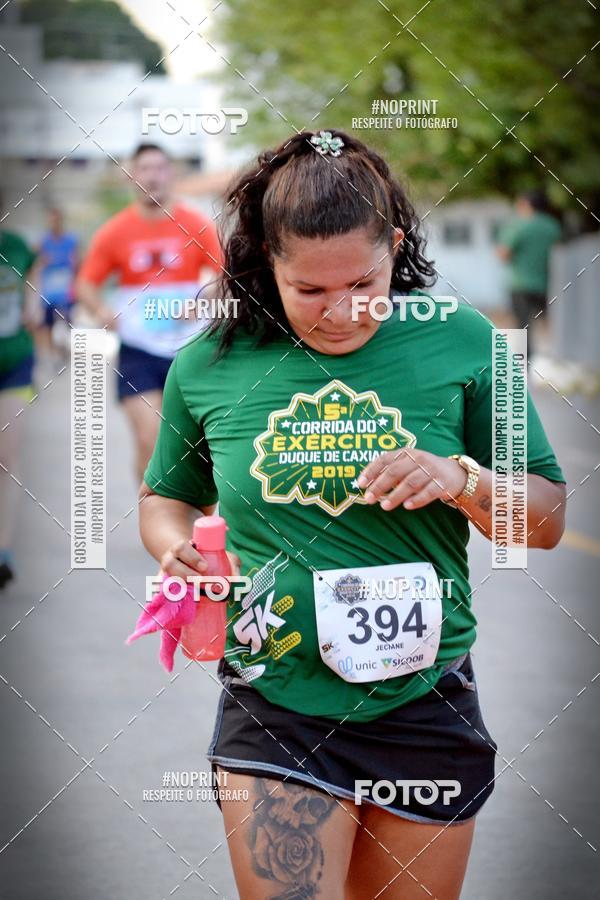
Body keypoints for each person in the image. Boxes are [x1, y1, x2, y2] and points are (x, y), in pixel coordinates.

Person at [138, 130, 566, 899]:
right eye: (310, 291)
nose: (341, 313)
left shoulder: (466, 342)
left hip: (424, 697)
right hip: (276, 698)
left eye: (363, 282)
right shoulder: (211, 363)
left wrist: (459, 476)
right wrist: (175, 548)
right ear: (265, 258)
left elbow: (544, 520)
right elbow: (165, 498)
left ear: (395, 246)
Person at [76, 143, 223, 481]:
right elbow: (85, 284)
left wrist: (202, 297)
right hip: (138, 350)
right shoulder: (115, 231)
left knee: (190, 446)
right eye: (145, 169)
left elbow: (225, 275)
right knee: (150, 439)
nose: (152, 176)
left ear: (170, 175)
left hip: (187, 348)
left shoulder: (195, 224)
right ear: (132, 176)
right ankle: (151, 519)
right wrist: (101, 310)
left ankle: (185, 520)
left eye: (159, 168)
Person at [0, 214, 41, 589]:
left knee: (6, 459)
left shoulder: (14, 245)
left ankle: (3, 551)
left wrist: (33, 304)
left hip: (13, 360)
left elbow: (34, 276)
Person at [496, 190, 562, 360]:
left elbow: (503, 254)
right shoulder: (552, 225)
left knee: (522, 326)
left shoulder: (519, 225)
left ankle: (524, 362)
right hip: (547, 283)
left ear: (527, 204)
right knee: (549, 321)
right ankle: (556, 356)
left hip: (521, 284)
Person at [36, 207, 78, 372]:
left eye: (56, 220)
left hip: (66, 292)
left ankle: (63, 349)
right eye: (50, 220)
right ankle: (53, 355)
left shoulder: (71, 241)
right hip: (48, 293)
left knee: (65, 323)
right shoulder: (43, 242)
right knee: (47, 326)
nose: (53, 223)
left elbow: (77, 264)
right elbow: (37, 265)